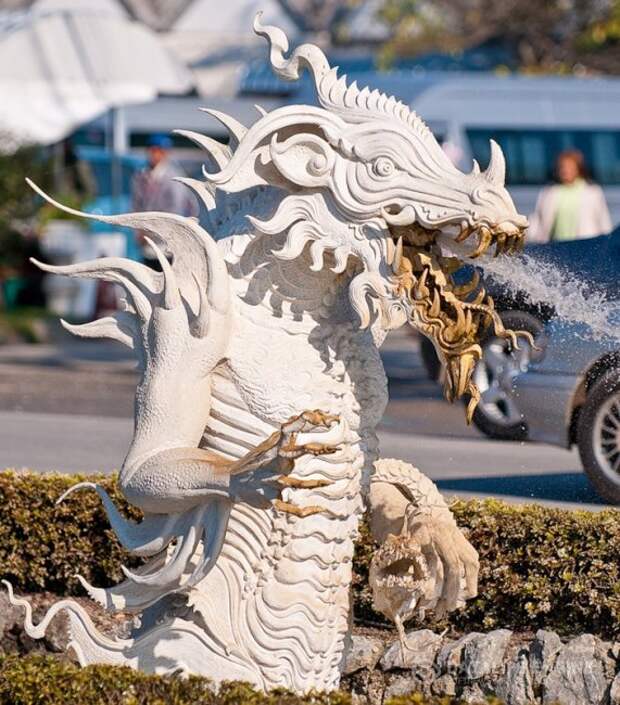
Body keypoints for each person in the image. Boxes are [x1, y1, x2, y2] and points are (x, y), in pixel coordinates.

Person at [131, 134, 197, 267]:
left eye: (159, 151)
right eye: (152, 150)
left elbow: (175, 208)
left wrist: (156, 229)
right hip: (147, 244)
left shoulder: (174, 176)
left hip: (167, 242)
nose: (154, 154)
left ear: (165, 153)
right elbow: (136, 204)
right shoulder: (141, 174)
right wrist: (139, 231)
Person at [528, 149, 612, 243]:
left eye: (569, 167)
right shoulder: (548, 192)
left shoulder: (593, 192)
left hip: (586, 247)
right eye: (562, 167)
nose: (565, 170)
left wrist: (606, 244)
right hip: (557, 247)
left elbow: (604, 222)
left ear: (578, 168)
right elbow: (537, 222)